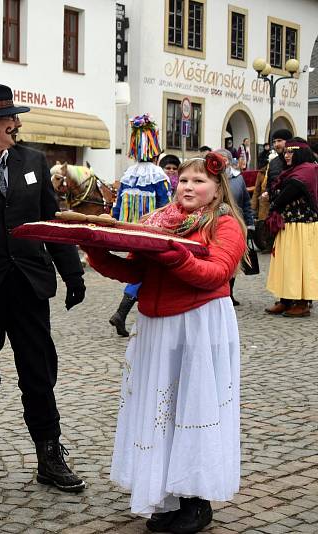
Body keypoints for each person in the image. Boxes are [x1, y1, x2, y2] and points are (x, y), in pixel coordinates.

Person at [83, 152, 246, 534]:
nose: (189, 187)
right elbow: (135, 270)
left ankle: (196, 501)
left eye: (199, 181)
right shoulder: (160, 220)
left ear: (217, 188)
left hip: (198, 323)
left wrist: (173, 255)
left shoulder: (224, 224)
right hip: (158, 327)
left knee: (192, 407)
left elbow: (216, 273)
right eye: (184, 180)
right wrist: (96, 250)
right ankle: (168, 495)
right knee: (162, 409)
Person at [0, 84, 86, 502]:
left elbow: (52, 222)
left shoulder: (32, 160)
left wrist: (72, 273)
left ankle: (49, 457)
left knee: (38, 373)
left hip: (29, 285)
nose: (18, 124)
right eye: (11, 118)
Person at [109, 114, 170, 337]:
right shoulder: (158, 176)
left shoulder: (128, 175)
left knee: (142, 270)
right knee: (148, 271)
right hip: (153, 232)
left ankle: (123, 313)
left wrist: (118, 226)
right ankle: (127, 313)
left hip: (132, 231)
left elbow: (117, 206)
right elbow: (166, 205)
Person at [264, 138, 318, 318]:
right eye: (286, 152)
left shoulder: (307, 170)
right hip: (289, 225)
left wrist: (274, 202)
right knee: (285, 264)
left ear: (300, 153)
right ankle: (286, 299)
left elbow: (284, 196)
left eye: (290, 152)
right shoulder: (291, 171)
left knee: (300, 265)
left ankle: (302, 303)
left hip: (303, 227)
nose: (286, 156)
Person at [216, 148, 254, 306]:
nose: (223, 162)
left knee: (233, 260)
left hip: (236, 224)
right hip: (215, 224)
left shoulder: (238, 179)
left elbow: (245, 202)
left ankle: (229, 292)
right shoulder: (212, 178)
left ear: (230, 161)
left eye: (225, 159)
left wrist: (250, 223)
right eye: (219, 159)